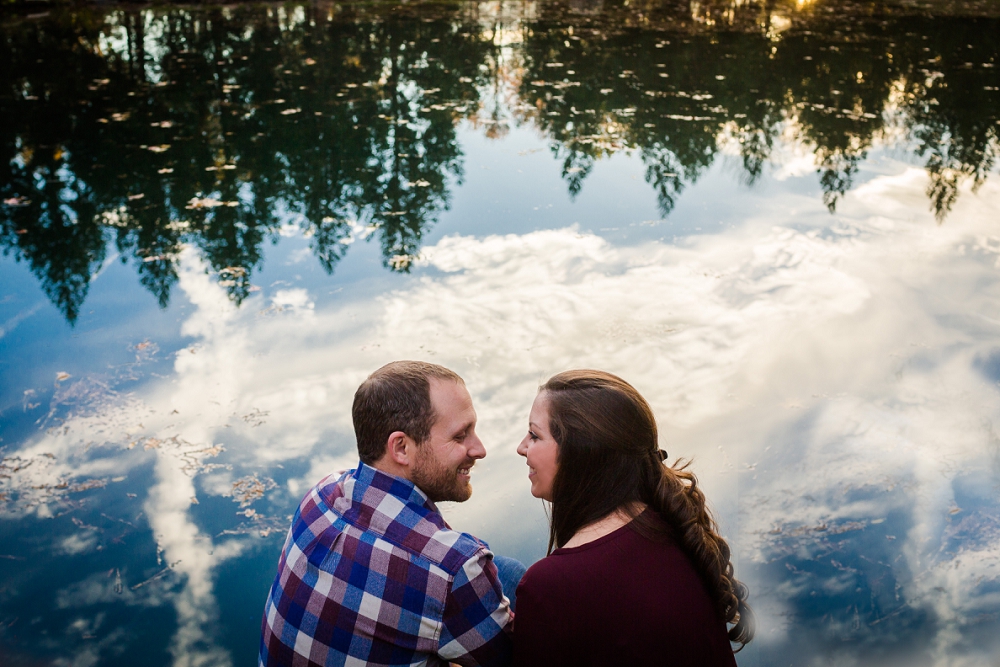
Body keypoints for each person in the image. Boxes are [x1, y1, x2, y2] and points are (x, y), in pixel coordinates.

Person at [259, 361, 518, 667]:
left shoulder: (320, 494)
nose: (480, 449)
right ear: (401, 448)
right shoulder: (455, 567)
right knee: (517, 577)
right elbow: (517, 660)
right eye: (460, 436)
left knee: (499, 571)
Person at [513, 370, 755, 667]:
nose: (521, 447)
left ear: (580, 454)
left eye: (535, 435)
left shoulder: (549, 586)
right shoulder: (675, 525)